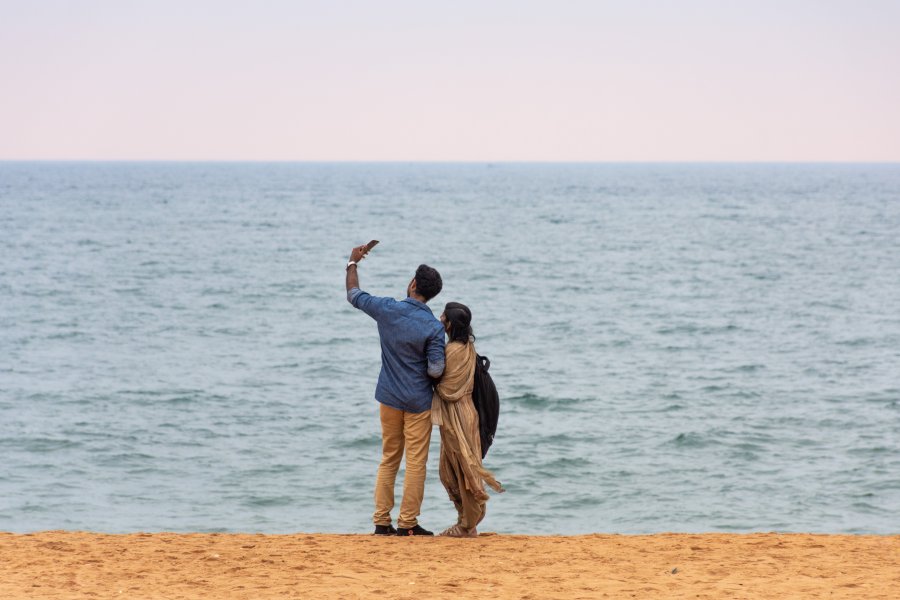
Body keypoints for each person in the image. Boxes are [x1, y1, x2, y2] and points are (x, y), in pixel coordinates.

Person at [345, 244, 445, 536]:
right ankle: (408, 524)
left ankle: (381, 521)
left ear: (412, 284)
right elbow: (436, 369)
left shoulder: (387, 309)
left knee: (389, 457)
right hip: (418, 402)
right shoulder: (433, 327)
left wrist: (352, 262)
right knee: (416, 462)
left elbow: (353, 295)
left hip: (388, 397)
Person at [431, 302, 503, 538]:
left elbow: (448, 389)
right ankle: (467, 520)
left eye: (444, 316)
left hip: (458, 415)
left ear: (450, 324)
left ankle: (467, 525)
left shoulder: (452, 351)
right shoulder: (468, 348)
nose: (440, 318)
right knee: (454, 469)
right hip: (466, 413)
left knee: (463, 469)